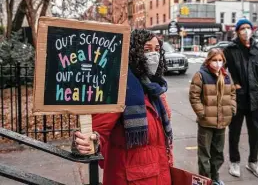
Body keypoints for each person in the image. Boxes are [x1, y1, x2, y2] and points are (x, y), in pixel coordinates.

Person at [72, 29, 173, 185]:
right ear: (133, 53)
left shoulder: (154, 89)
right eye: (147, 50)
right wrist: (89, 140)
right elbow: (98, 131)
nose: (154, 55)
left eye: (157, 50)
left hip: (158, 174)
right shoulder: (120, 88)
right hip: (131, 178)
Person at [223, 18, 258, 179]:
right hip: (237, 99)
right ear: (237, 31)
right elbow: (219, 71)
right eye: (242, 28)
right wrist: (231, 85)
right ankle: (234, 162)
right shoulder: (230, 49)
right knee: (234, 132)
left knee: (256, 133)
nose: (246, 31)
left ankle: (253, 162)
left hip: (256, 98)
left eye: (248, 28)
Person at [189, 48, 236, 185]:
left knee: (218, 153)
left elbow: (232, 93)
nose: (217, 63)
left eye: (220, 60)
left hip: (222, 121)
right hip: (206, 122)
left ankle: (215, 178)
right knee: (204, 154)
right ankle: (205, 180)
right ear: (208, 61)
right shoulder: (201, 75)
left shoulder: (226, 76)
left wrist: (232, 108)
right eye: (214, 60)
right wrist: (201, 113)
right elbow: (194, 96)